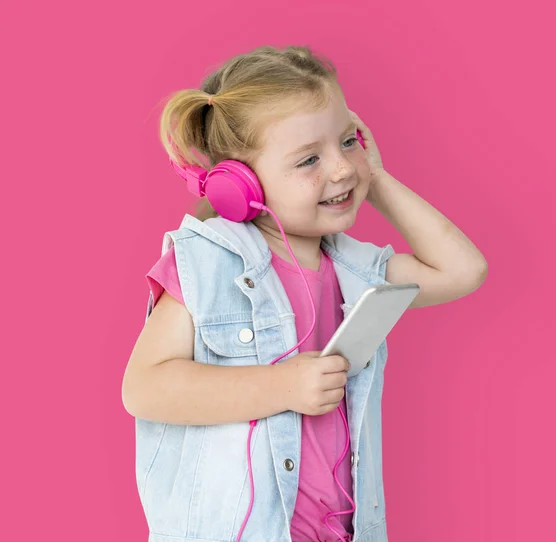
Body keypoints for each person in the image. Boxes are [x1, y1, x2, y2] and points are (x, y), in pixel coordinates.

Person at [121, 45, 487, 542]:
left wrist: (375, 178)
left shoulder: (355, 269)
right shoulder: (206, 266)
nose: (341, 169)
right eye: (310, 158)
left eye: (348, 141)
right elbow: (144, 389)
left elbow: (462, 270)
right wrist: (281, 387)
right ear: (239, 184)